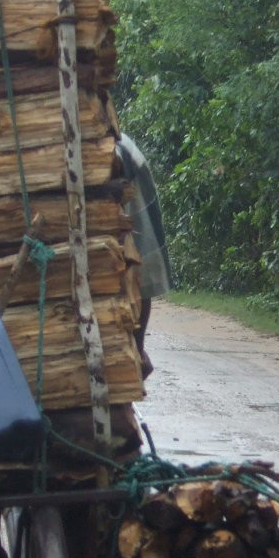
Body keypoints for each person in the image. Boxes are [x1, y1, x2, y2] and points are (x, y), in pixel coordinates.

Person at [117, 133, 172, 377]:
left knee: (138, 257)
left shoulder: (122, 152)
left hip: (122, 169)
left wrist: (137, 348)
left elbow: (143, 269)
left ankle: (137, 349)